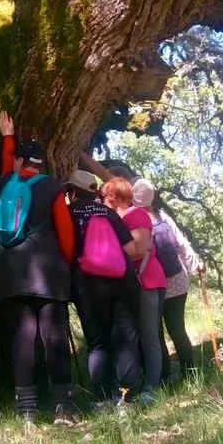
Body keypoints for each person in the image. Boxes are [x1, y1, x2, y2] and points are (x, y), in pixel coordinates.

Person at [0, 112, 78, 426]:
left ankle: (27, 410)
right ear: (40, 163)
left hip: (11, 273)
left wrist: (8, 136)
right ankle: (64, 407)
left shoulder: (7, 183)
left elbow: (7, 165)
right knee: (54, 336)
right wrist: (66, 264)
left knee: (22, 339)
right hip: (50, 273)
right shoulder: (51, 186)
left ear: (18, 161)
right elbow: (66, 231)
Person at [64, 169, 143, 407]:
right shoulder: (109, 213)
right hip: (122, 280)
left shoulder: (68, 213)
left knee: (97, 341)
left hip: (88, 284)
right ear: (94, 191)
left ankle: (102, 398)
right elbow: (130, 250)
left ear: (71, 192)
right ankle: (129, 396)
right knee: (126, 335)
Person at [99, 177, 167, 404]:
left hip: (146, 281)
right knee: (130, 336)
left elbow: (138, 250)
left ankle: (152, 388)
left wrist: (108, 249)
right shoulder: (114, 219)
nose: (101, 202)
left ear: (115, 199)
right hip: (130, 284)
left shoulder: (136, 215)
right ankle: (133, 386)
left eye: (105, 198)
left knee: (149, 336)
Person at [132, 178, 202, 383]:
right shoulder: (162, 216)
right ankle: (190, 373)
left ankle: (163, 376)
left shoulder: (136, 219)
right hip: (178, 279)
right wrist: (194, 265)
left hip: (155, 283)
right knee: (178, 329)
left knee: (155, 332)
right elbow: (181, 243)